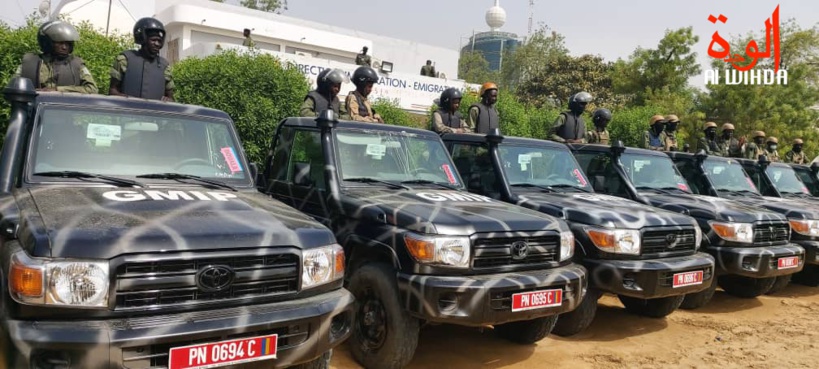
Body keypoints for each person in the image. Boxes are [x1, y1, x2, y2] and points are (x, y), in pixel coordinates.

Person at [14, 20, 97, 94]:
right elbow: (13, 88)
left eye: (68, 44)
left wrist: (59, 90)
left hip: (66, 108)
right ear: (47, 42)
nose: (64, 47)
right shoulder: (30, 63)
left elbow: (92, 89)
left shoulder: (77, 65)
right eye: (60, 43)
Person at [109, 17, 174, 101]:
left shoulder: (165, 66)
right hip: (127, 112)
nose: (157, 44)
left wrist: (168, 100)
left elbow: (170, 97)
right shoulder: (124, 59)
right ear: (143, 39)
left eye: (159, 41)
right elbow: (112, 90)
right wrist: (122, 98)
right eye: (153, 40)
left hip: (153, 113)